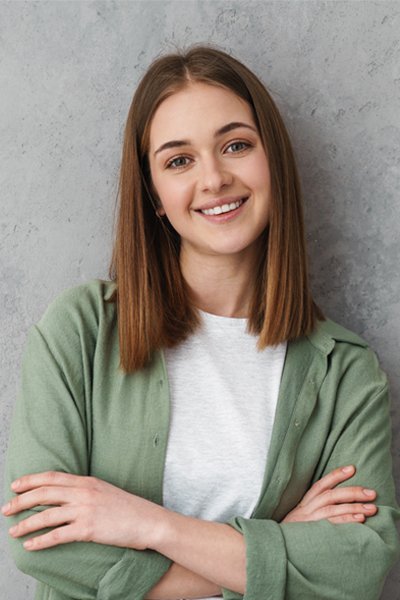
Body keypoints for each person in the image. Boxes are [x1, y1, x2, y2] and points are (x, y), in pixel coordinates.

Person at [2, 45, 400, 600]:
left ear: (273, 162)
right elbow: (38, 536)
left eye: (236, 145)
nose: (214, 179)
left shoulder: (345, 373)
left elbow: (359, 567)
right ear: (155, 197)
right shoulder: (81, 330)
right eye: (179, 161)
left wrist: (150, 525)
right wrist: (275, 551)